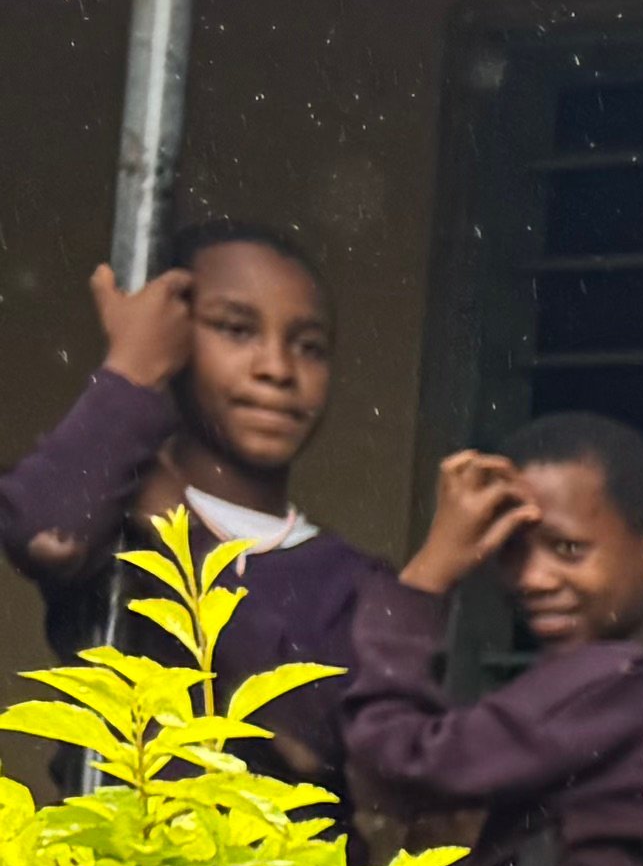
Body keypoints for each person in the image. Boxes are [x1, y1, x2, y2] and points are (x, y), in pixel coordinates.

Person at [4, 226, 388, 794]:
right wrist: (131, 372)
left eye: (309, 345)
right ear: (176, 342)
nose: (278, 368)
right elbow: (45, 531)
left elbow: (305, 740)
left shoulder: (354, 582)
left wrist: (166, 514)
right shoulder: (109, 516)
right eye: (237, 330)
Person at [343, 411, 643, 866]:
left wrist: (427, 575)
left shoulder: (618, 680)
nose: (531, 579)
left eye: (567, 549)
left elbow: (401, 761)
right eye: (513, 552)